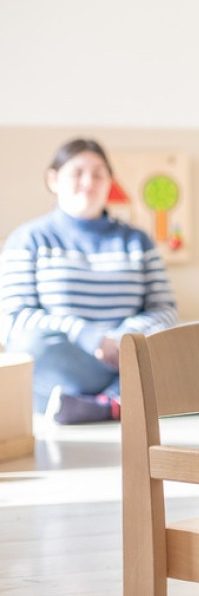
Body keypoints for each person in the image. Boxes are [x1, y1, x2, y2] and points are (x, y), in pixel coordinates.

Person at [0, 138, 179, 424]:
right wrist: (89, 336)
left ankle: (101, 405)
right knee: (32, 344)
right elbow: (13, 320)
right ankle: (123, 400)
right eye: (77, 172)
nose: (89, 182)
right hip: (69, 363)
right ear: (53, 179)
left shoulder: (137, 240)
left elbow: (164, 309)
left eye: (99, 173)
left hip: (129, 358)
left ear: (110, 181)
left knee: (194, 344)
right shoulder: (29, 239)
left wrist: (122, 339)